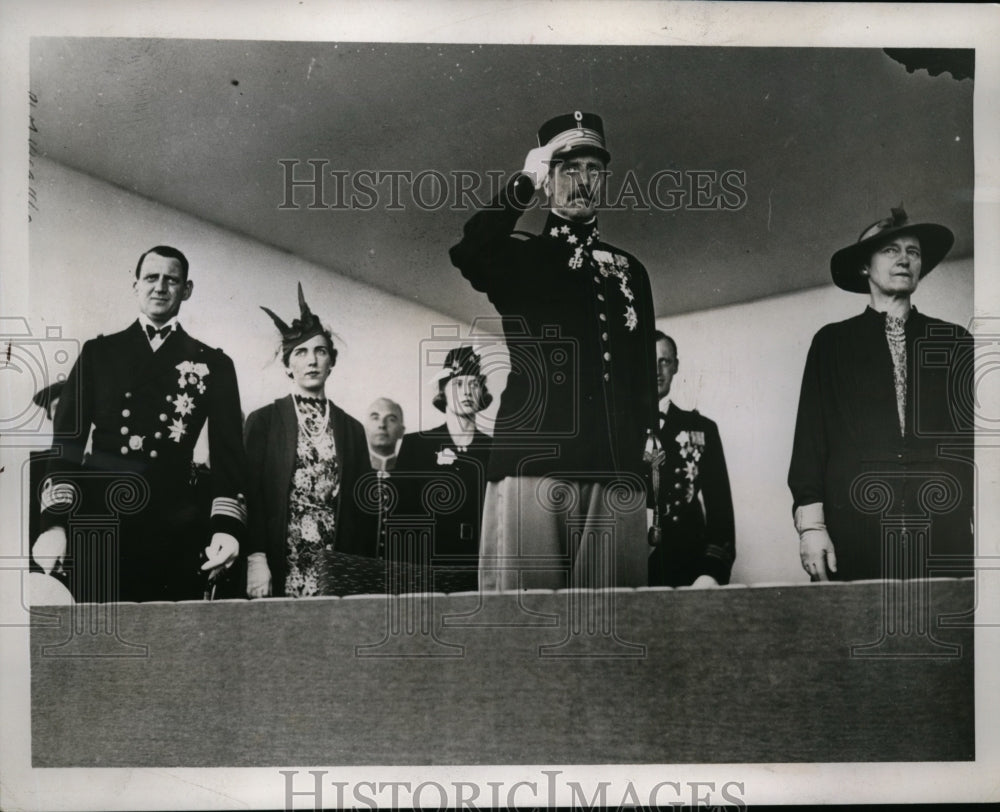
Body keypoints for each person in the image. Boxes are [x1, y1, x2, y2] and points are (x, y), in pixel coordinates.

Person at [450, 111, 658, 590]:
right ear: (548, 178)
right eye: (568, 168)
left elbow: (641, 378)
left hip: (615, 470)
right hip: (533, 463)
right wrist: (523, 182)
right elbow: (469, 249)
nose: (582, 181)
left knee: (612, 620)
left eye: (593, 169)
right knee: (527, 621)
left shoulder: (631, 270)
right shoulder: (520, 255)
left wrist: (643, 483)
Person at [31, 245, 247, 602]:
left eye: (171, 280)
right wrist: (55, 523)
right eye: (151, 278)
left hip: (175, 522)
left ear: (187, 290)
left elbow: (229, 455)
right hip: (102, 519)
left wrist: (227, 528)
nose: (160, 287)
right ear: (135, 286)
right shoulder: (98, 354)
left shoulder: (215, 364)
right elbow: (67, 443)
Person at [788, 206, 974, 581]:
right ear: (864, 266)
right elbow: (810, 443)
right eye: (891, 250)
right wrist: (811, 529)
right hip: (855, 534)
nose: (904, 259)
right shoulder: (831, 343)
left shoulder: (954, 342)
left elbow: (974, 446)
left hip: (942, 534)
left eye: (914, 252)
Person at [244, 284, 375, 598]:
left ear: (332, 360)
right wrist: (256, 558)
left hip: (335, 564)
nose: (312, 360)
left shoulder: (352, 429)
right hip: (279, 561)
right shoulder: (263, 420)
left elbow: (363, 512)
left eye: (320, 351)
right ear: (288, 365)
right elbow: (250, 495)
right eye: (300, 353)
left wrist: (359, 573)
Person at [393, 346, 493, 591]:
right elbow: (401, 518)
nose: (467, 391)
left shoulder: (496, 449)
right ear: (443, 392)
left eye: (474, 384)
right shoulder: (416, 445)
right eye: (458, 384)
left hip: (480, 569)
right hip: (425, 571)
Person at [648, 331, 736, 587]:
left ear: (676, 366)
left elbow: (721, 515)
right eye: (649, 361)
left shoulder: (702, 428)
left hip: (687, 570)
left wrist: (710, 574)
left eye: (664, 361)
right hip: (627, 569)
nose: (657, 370)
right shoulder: (616, 428)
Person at [365, 397, 405, 473]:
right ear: (366, 429)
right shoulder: (351, 471)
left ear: (401, 431)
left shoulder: (411, 472)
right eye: (375, 418)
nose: (382, 425)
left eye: (391, 419)